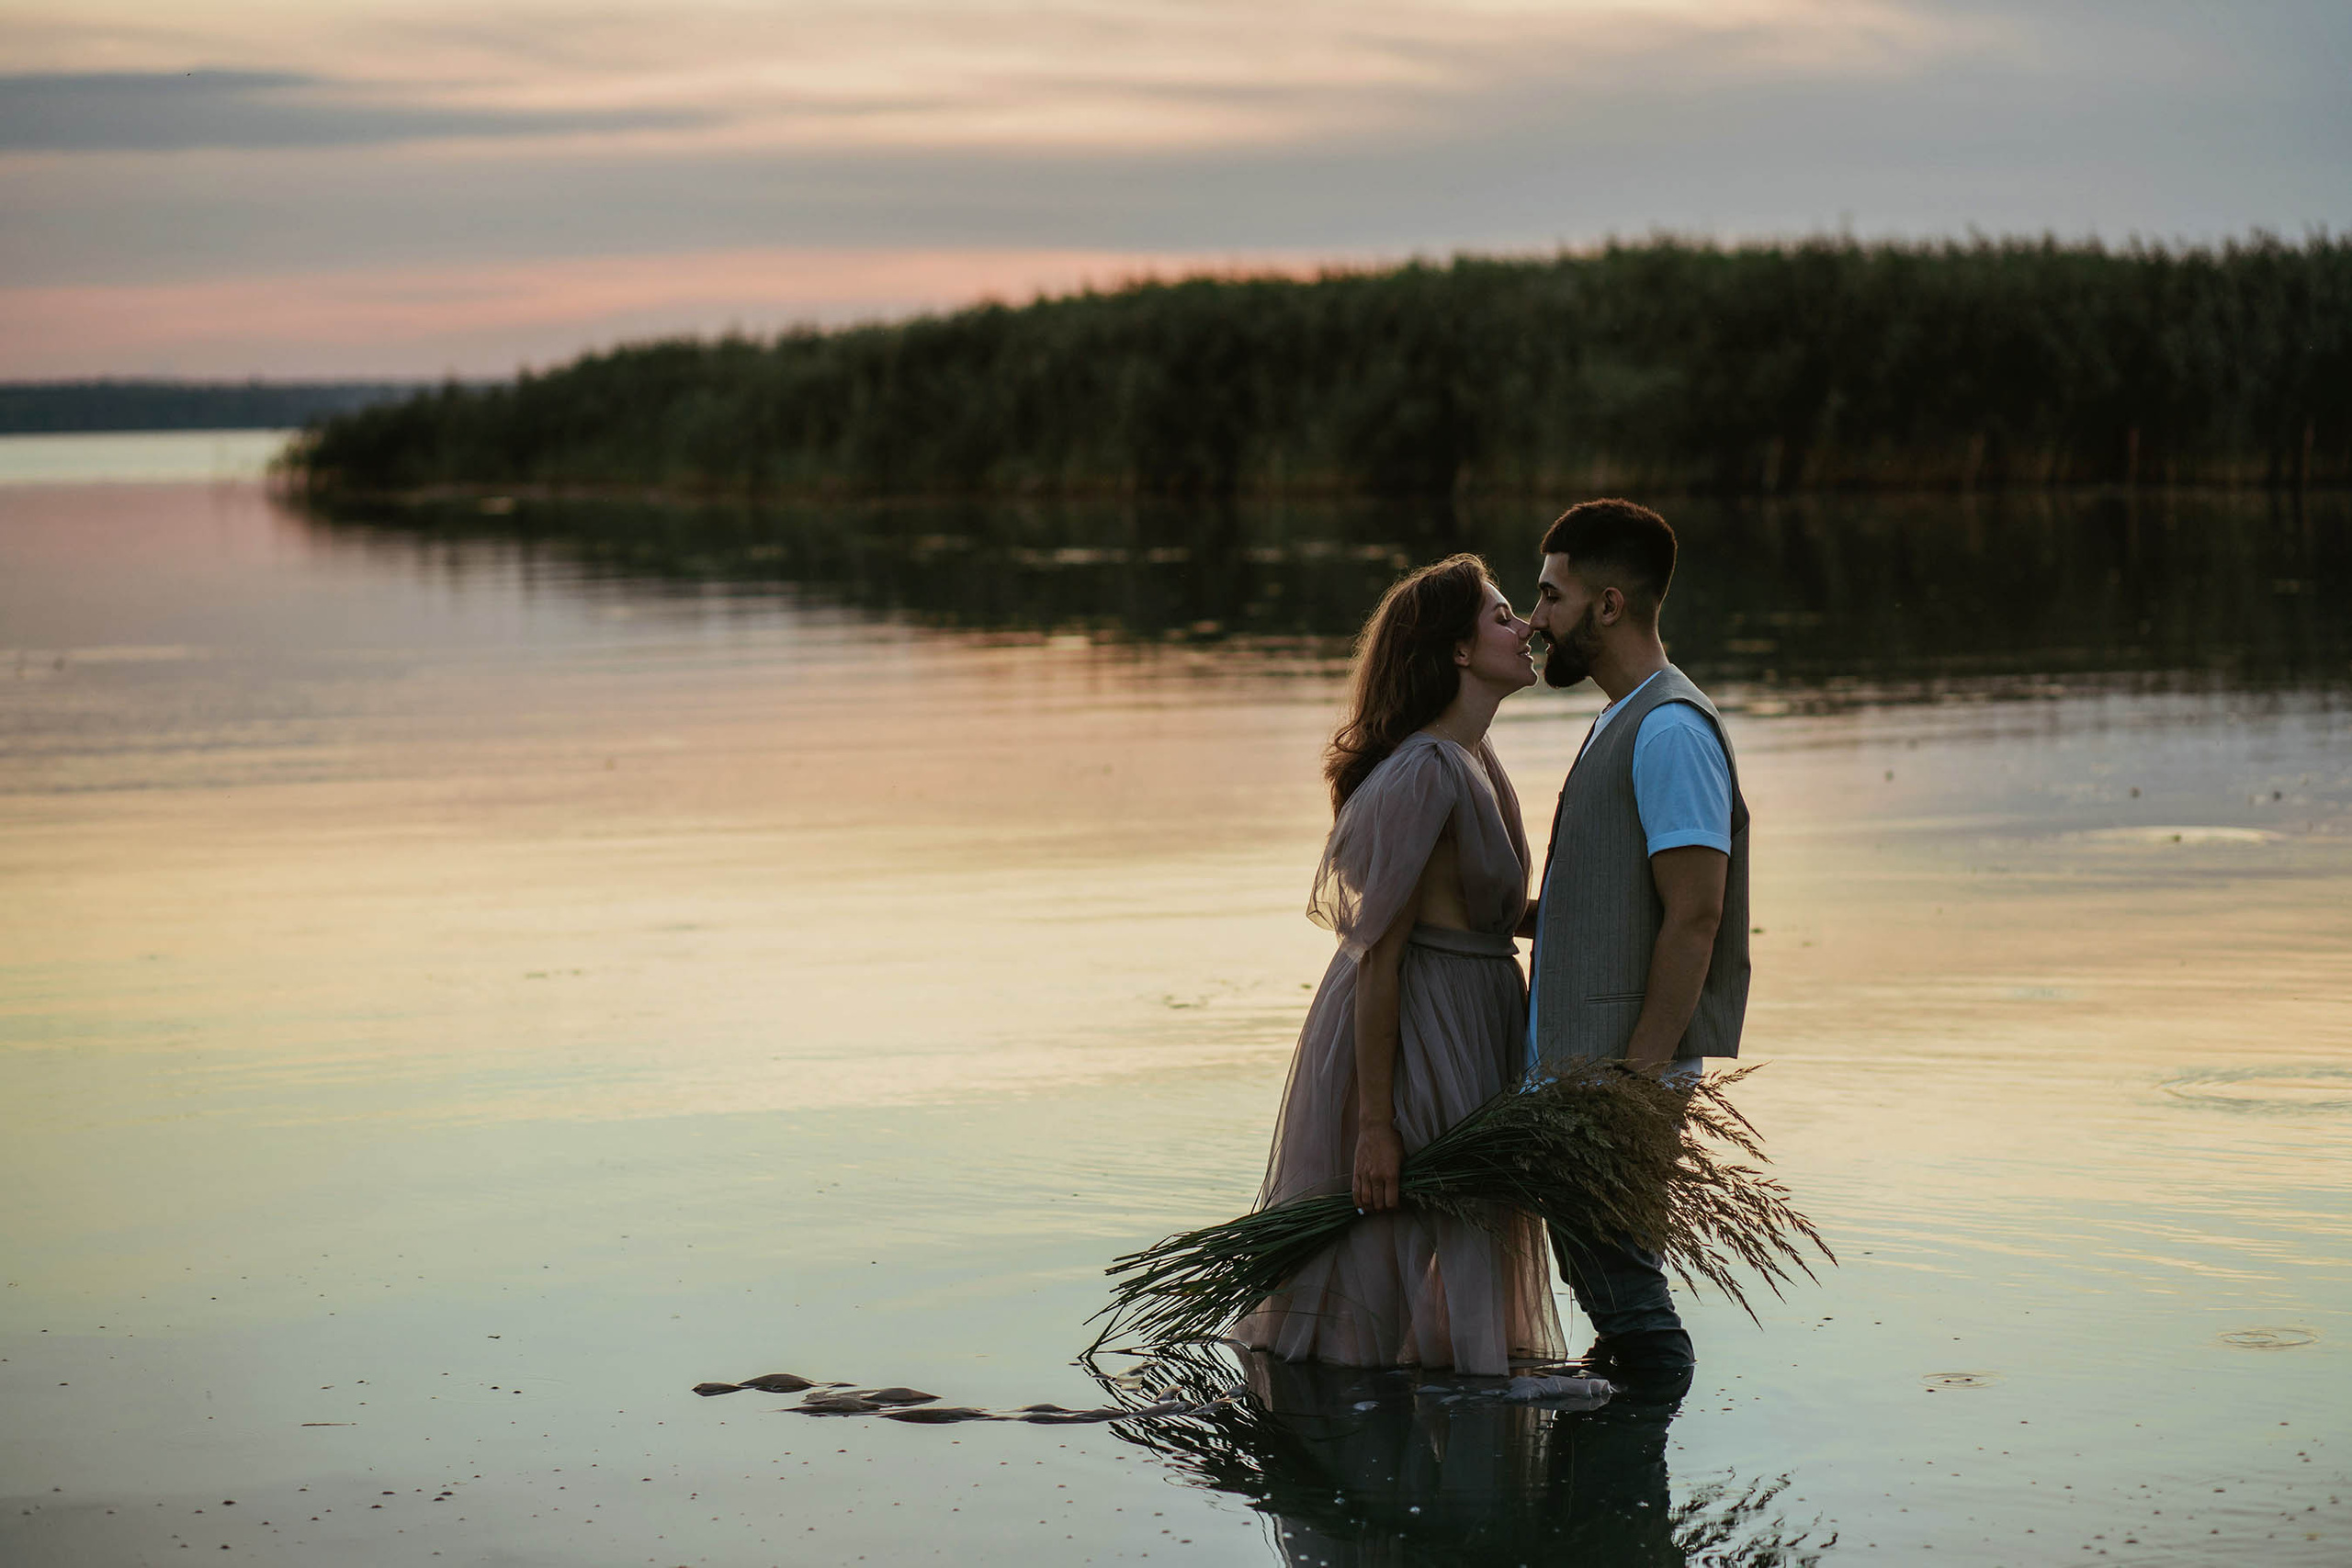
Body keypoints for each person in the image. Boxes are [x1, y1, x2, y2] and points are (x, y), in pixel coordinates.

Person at [1234, 553, 1565, 1376]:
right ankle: (1338, 1415)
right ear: (1457, 650)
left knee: (1462, 1228)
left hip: (1474, 1007)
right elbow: (1380, 953)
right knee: (1398, 1232)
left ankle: (1445, 1419)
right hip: (1417, 1020)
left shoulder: (1476, 759)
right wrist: (1376, 1126)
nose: (1525, 626)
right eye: (1500, 616)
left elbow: (1481, 913)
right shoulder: (1424, 770)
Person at [1522, 498, 1751, 1377]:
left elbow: (1697, 913)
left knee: (1636, 1317)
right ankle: (1615, 1489)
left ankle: (1630, 1484)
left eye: (1550, 597)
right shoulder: (1619, 718)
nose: (1535, 618)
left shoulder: (1669, 730)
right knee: (1610, 1292)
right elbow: (1627, 900)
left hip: (1619, 1083)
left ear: (1608, 605)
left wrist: (1635, 1083)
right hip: (1588, 1078)